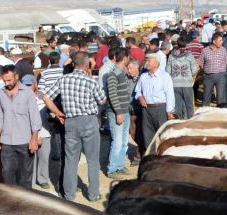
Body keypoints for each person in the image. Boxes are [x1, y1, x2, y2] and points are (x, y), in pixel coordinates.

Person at [41, 52, 106, 202]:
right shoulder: (91, 81)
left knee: (70, 159)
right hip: (89, 121)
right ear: (86, 64)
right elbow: (102, 101)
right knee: (92, 160)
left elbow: (45, 97)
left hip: (70, 121)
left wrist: (57, 113)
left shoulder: (63, 79)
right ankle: (93, 194)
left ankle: (69, 196)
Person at [0, 66, 41, 189]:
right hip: (7, 142)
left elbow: (35, 118)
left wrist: (34, 139)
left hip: (25, 142)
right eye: (4, 81)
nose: (6, 83)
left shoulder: (28, 93)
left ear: (16, 76)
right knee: (7, 174)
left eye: (9, 80)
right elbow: (0, 116)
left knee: (25, 176)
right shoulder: (0, 93)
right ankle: (11, 204)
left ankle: (25, 203)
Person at [134, 52, 175, 153]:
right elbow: (138, 91)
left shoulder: (165, 76)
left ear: (156, 63)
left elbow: (170, 94)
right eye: (146, 60)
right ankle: (151, 158)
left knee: (163, 135)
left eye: (149, 61)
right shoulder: (143, 76)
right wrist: (140, 98)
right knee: (148, 136)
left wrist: (169, 112)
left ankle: (165, 157)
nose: (146, 63)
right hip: (146, 109)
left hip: (161, 108)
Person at [104, 48, 134, 179]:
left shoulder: (120, 72)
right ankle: (112, 169)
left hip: (124, 111)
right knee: (117, 141)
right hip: (118, 112)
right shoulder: (113, 74)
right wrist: (118, 112)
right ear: (125, 58)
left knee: (123, 142)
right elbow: (112, 94)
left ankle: (119, 166)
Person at [166, 39, 198, 119]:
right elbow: (194, 70)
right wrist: (190, 76)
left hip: (175, 84)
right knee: (189, 105)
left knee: (177, 106)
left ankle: (178, 123)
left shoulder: (171, 56)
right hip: (187, 84)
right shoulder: (189, 56)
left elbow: (167, 71)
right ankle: (191, 122)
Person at [199, 32, 227, 106]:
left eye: (222, 40)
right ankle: (204, 113)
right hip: (208, 76)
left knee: (221, 97)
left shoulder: (223, 50)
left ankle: (221, 113)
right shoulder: (205, 50)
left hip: (221, 76)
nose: (222, 42)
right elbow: (201, 64)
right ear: (214, 41)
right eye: (220, 40)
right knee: (206, 96)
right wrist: (207, 71)